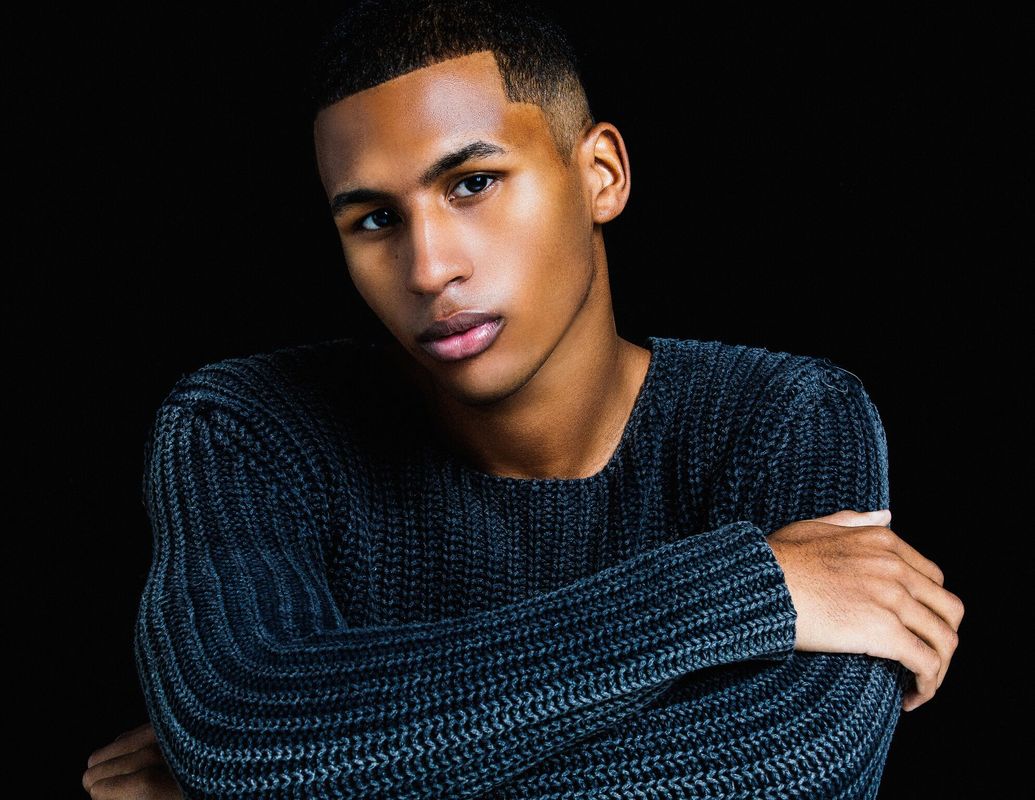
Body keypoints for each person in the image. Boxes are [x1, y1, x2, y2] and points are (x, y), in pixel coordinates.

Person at [82, 1, 964, 798]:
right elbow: (246, 730)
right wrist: (735, 592)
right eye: (375, 219)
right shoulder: (245, 427)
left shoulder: (783, 417)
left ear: (601, 174)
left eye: (472, 183)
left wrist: (318, 774)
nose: (429, 269)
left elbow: (794, 767)